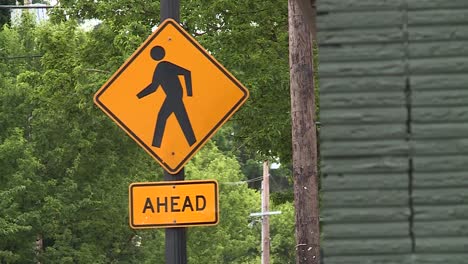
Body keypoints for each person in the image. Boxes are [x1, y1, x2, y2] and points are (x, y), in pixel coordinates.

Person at [137, 46, 196, 148]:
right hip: (173, 96)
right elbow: (153, 87)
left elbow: (187, 72)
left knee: (162, 117)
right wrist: (138, 96)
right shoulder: (160, 67)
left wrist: (189, 93)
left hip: (175, 95)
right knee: (182, 119)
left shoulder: (165, 65)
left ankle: (156, 145)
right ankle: (192, 142)